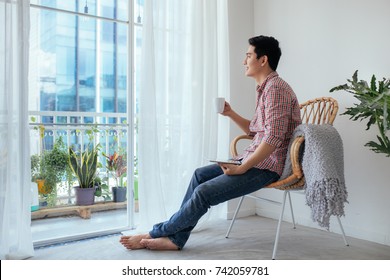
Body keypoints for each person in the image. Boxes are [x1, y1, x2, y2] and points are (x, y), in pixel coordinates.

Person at [120, 35, 302, 251]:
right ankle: (175, 240)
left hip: (266, 167)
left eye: (248, 56)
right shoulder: (266, 89)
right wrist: (230, 113)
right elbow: (256, 132)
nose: (244, 61)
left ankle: (156, 232)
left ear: (263, 60)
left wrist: (242, 167)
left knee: (204, 192)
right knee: (200, 175)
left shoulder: (276, 89)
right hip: (253, 160)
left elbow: (272, 140)